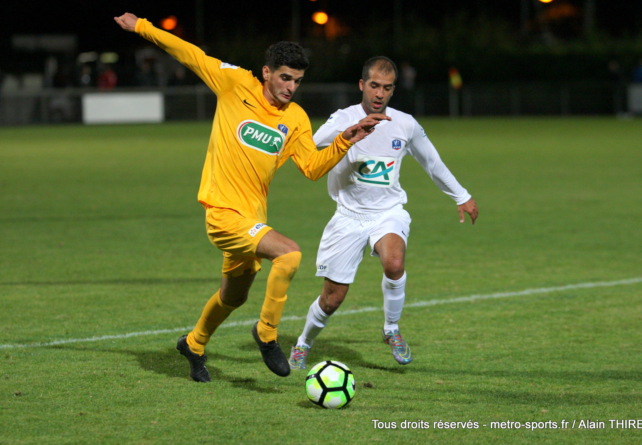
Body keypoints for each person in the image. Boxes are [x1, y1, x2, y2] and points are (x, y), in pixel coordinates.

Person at [114, 13, 387, 381]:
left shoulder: (296, 119)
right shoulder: (233, 83)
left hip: (251, 217)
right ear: (266, 72)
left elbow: (311, 167)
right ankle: (267, 334)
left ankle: (193, 344)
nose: (291, 87)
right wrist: (143, 27)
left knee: (233, 296)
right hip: (222, 212)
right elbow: (190, 53)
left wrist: (346, 139)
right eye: (285, 78)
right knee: (289, 254)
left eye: (298, 81)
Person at [288, 56, 478, 370]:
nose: (379, 94)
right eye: (374, 86)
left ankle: (391, 329)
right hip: (348, 216)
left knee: (395, 262)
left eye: (386, 88)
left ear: (392, 91)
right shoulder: (342, 119)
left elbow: (432, 162)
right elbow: (306, 147)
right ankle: (303, 343)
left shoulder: (405, 124)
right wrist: (345, 137)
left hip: (388, 212)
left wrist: (462, 195)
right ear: (362, 85)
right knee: (332, 299)